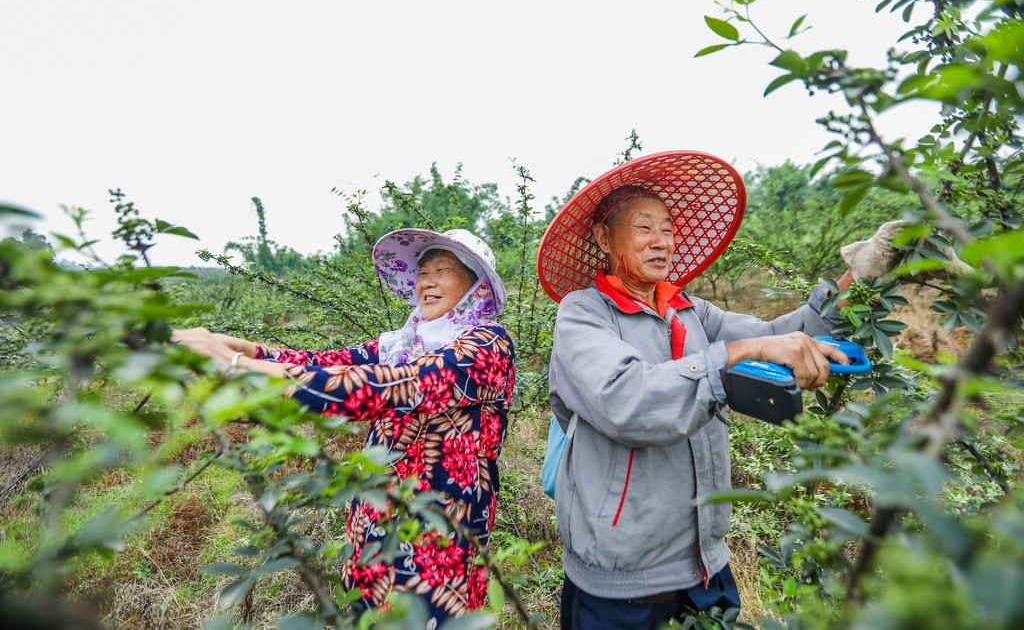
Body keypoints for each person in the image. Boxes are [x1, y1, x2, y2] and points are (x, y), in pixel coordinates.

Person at [535, 151, 897, 629]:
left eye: (667, 228)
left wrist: (862, 273)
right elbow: (625, 399)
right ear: (605, 238)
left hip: (705, 561)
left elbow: (779, 332)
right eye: (644, 228)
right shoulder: (585, 313)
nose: (661, 240)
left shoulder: (688, 311)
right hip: (622, 577)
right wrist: (740, 354)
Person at [173, 228, 516, 627]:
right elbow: (328, 363)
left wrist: (237, 367)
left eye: (442, 269)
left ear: (476, 285)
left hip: (439, 539)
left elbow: (390, 387)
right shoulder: (403, 343)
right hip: (375, 525)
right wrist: (245, 350)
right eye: (423, 272)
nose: (427, 282)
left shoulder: (488, 345)